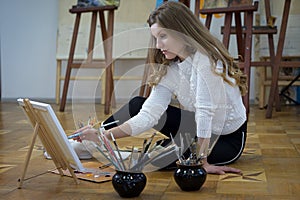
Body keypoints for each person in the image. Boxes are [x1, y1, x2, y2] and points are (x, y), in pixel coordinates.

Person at [75, 1, 247, 175]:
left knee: (155, 161)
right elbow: (149, 115)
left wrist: (202, 162)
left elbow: (205, 113)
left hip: (226, 139)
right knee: (138, 104)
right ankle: (91, 141)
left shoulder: (205, 61)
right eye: (156, 38)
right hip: (196, 126)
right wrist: (102, 136)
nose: (158, 45)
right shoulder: (171, 66)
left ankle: (165, 149)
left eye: (163, 36)